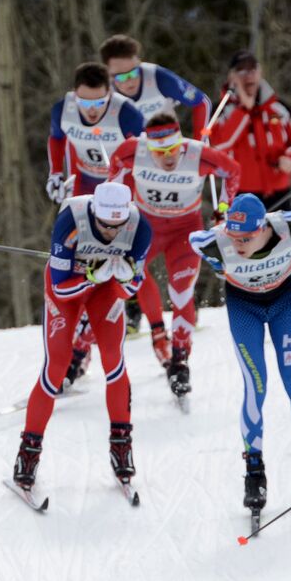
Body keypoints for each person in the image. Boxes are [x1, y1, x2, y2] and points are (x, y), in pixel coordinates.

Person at [12, 182, 151, 495]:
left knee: (114, 360)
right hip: (69, 289)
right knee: (57, 365)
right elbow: (60, 286)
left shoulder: (140, 226)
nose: (112, 232)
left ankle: (121, 445)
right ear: (94, 213)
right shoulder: (71, 221)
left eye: (119, 225)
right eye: (104, 225)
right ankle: (28, 453)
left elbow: (131, 291)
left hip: (106, 290)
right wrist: (90, 275)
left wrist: (126, 278)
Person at [188, 195, 291, 514]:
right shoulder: (215, 242)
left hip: (284, 305)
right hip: (243, 307)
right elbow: (195, 239)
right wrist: (225, 232)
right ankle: (254, 473)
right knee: (255, 387)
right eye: (234, 238)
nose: (238, 246)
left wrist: (276, 219)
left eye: (246, 238)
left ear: (263, 227)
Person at [109, 112, 240, 392]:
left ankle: (180, 360)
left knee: (180, 290)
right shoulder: (133, 151)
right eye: (160, 152)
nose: (168, 158)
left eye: (173, 149)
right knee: (133, 274)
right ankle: (158, 333)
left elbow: (232, 171)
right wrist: (116, 210)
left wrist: (225, 210)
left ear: (181, 142)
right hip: (146, 227)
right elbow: (115, 168)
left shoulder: (197, 155)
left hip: (185, 231)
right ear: (148, 146)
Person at [212, 50, 291, 207]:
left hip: (279, 194)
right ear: (231, 77)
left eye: (253, 69)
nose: (248, 75)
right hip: (240, 196)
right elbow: (217, 146)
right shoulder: (221, 111)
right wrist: (244, 110)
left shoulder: (279, 108)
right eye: (241, 70)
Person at [47, 62, 144, 203]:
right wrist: (55, 173)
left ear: (109, 94)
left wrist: (123, 166)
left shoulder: (127, 114)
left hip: (120, 180)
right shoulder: (62, 110)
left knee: (117, 220)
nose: (92, 110)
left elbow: (144, 150)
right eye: (84, 103)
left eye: (99, 102)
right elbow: (57, 138)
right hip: (84, 177)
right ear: (75, 95)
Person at [99, 34, 210, 135]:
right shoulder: (102, 94)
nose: (130, 81)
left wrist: (200, 143)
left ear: (138, 62)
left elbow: (201, 102)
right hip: (132, 152)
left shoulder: (158, 78)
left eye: (134, 72)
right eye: (121, 77)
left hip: (169, 149)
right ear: (108, 75)